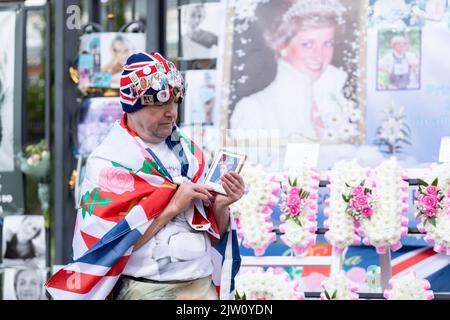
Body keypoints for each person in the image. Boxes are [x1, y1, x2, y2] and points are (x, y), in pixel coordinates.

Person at [45, 52, 243, 300]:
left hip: (200, 287)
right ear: (132, 105)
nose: (171, 112)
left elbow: (214, 234)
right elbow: (106, 249)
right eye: (160, 103)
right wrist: (172, 207)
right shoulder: (109, 163)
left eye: (175, 102)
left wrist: (221, 208)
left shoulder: (192, 155)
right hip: (144, 290)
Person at [230, 0, 358, 144]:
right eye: (308, 44)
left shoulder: (337, 99)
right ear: (282, 46)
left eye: (327, 44)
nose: (319, 56)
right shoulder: (254, 108)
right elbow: (227, 167)